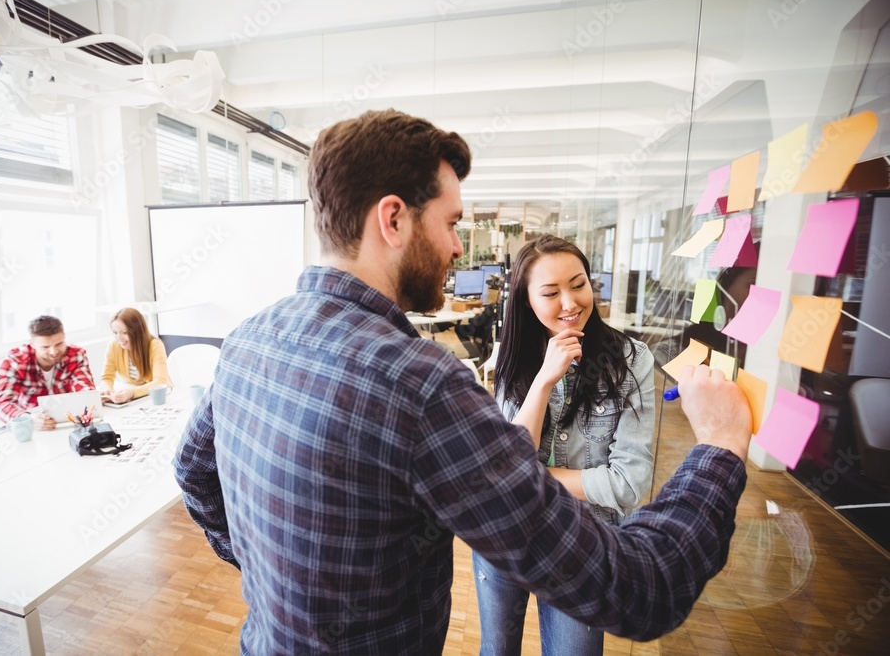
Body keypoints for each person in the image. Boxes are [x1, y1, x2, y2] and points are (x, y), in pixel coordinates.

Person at [173, 109, 753, 655]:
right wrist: (721, 447)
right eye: (451, 222)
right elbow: (640, 589)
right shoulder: (421, 384)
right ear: (393, 218)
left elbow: (192, 470)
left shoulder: (247, 339)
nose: (457, 245)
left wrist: (266, 574)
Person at [473, 234, 655, 656]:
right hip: (506, 537)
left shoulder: (631, 361)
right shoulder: (514, 355)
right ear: (526, 302)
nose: (571, 303)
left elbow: (627, 484)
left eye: (579, 284)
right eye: (551, 293)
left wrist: (531, 478)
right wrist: (544, 380)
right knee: (497, 650)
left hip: (582, 546)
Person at [0, 315, 95, 429]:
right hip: (33, 423)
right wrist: (29, 418)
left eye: (59, 344)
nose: (54, 352)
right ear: (32, 344)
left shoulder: (76, 354)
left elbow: (86, 392)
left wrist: (86, 404)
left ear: (64, 337)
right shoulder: (14, 362)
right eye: (45, 347)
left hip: (67, 420)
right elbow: (1, 405)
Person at [98, 307, 172, 404]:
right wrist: (106, 389)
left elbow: (160, 382)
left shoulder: (155, 345)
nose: (118, 338)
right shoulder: (113, 346)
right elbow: (107, 377)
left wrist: (132, 393)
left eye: (124, 333)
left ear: (137, 332)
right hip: (137, 400)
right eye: (115, 332)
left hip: (161, 396)